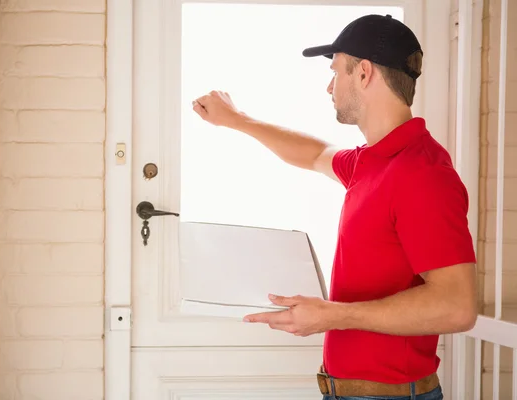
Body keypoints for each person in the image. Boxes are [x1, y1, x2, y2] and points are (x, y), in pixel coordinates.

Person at [191, 13, 477, 400]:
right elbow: (313, 154)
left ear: (363, 73)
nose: (329, 86)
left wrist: (333, 314)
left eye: (335, 71)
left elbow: (457, 306)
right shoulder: (371, 161)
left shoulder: (422, 173)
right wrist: (237, 120)